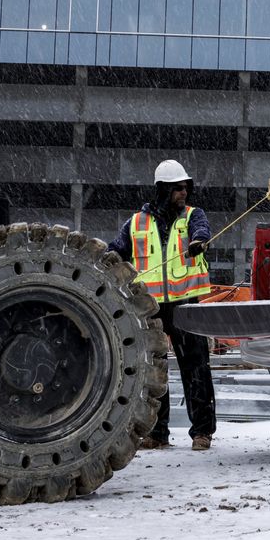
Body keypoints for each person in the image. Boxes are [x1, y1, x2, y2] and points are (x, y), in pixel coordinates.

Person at [111, 159, 217, 451]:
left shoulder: (193, 216)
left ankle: (202, 432)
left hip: (186, 305)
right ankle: (157, 433)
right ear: (162, 190)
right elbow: (114, 253)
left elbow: (202, 231)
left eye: (186, 188)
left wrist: (199, 241)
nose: (184, 193)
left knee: (196, 368)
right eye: (178, 189)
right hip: (150, 308)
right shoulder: (135, 224)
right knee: (153, 372)